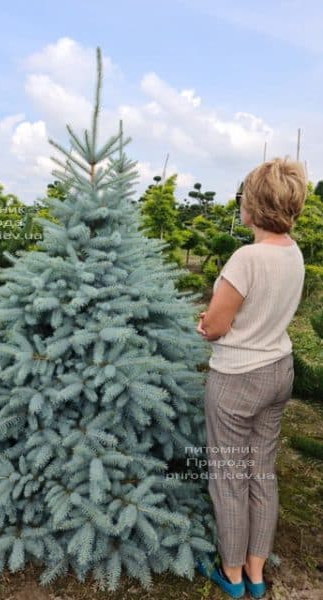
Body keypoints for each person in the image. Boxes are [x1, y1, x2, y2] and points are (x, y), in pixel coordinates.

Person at [195, 157, 306, 599]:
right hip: (279, 370)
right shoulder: (292, 252)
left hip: (238, 377)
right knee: (262, 470)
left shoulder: (246, 257)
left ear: (253, 205)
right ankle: (258, 575)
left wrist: (204, 323)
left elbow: (216, 327)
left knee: (229, 475)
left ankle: (233, 575)